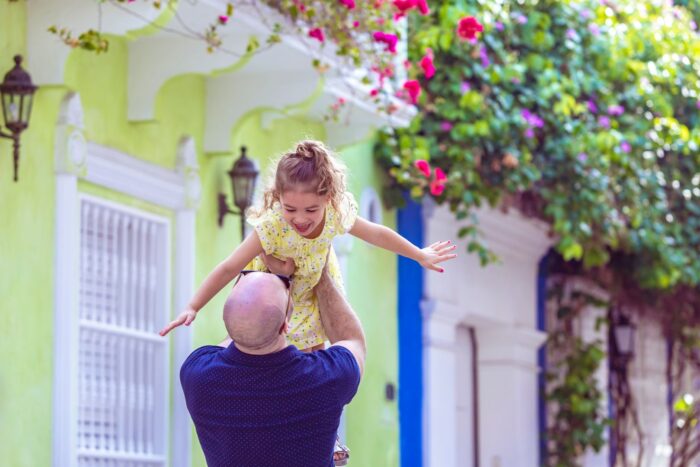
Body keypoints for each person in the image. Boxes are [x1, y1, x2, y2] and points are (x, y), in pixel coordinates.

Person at [160, 140, 457, 349]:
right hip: (275, 291)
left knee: (315, 354)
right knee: (265, 348)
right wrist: (192, 305)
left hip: (312, 288)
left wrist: (418, 254)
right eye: (290, 209)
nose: (300, 219)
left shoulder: (335, 215)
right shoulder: (273, 226)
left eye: (310, 210)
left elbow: (376, 234)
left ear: (327, 199)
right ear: (278, 199)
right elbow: (229, 267)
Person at [180, 256, 366, 467]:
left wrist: (255, 273)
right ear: (285, 326)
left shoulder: (197, 376)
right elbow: (353, 340)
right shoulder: (324, 378)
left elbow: (241, 328)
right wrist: (320, 275)